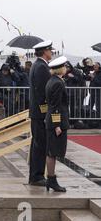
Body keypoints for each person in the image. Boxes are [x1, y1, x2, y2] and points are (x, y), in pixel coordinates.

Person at [28, 40, 53, 187]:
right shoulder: (42, 67)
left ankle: (35, 175)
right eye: (50, 50)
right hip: (40, 113)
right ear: (45, 51)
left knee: (37, 144)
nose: (51, 53)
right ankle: (37, 176)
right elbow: (42, 93)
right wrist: (45, 113)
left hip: (36, 112)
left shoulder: (37, 65)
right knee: (40, 145)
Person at [45, 56, 70, 192]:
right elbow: (55, 105)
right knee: (52, 152)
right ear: (61, 68)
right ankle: (51, 179)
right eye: (64, 66)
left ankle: (51, 179)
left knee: (52, 152)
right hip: (56, 122)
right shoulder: (57, 83)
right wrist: (57, 125)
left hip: (53, 120)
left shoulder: (52, 81)